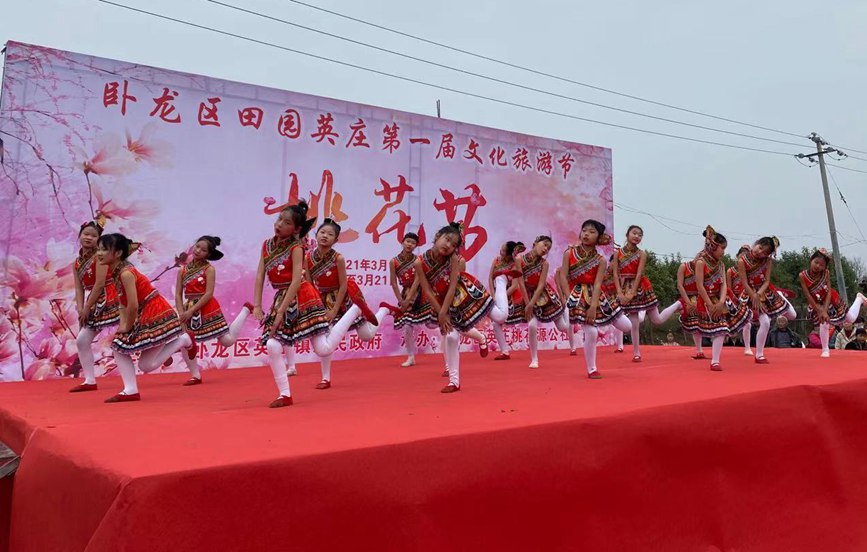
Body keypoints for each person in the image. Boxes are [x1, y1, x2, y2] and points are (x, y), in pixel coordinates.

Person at [252, 202, 362, 408]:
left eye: (286, 223)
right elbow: (260, 275)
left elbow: (295, 281)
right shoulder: (267, 245)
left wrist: (280, 312)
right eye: (279, 220)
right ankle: (285, 394)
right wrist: (257, 305)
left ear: (296, 229)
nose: (279, 225)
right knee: (272, 344)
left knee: (322, 349)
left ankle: (354, 310)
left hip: (303, 295)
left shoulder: (297, 248)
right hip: (282, 297)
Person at [98, 233, 194, 402]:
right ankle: (183, 340)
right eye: (99, 249)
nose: (99, 253)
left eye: (104, 249)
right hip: (144, 313)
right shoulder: (116, 271)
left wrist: (126, 328)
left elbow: (133, 304)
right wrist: (123, 325)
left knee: (118, 346)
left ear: (118, 253)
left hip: (154, 312)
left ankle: (130, 390)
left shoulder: (126, 273)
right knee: (145, 365)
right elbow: (123, 303)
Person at [415, 222, 510, 393]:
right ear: (437, 237)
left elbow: (452, 285)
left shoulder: (453, 259)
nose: (448, 245)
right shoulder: (419, 262)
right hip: (442, 300)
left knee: (500, 317)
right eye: (447, 239)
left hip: (466, 292)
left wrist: (443, 312)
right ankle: (454, 382)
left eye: (453, 245)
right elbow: (427, 289)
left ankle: (501, 282)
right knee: (451, 337)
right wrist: (440, 311)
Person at [305, 218, 384, 390]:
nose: (325, 236)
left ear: (336, 240)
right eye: (322, 232)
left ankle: (383, 310)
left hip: (343, 299)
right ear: (316, 234)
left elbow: (343, 285)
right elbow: (310, 284)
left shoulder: (338, 258)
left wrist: (334, 309)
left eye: (330, 234)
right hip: (321, 299)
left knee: (366, 336)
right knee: (325, 336)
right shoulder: (308, 258)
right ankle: (325, 378)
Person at [172, 236, 254, 386]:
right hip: (188, 309)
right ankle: (195, 375)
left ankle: (245, 310)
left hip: (207, 308)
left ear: (208, 255)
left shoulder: (209, 269)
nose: (198, 251)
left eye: (203, 250)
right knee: (185, 341)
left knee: (227, 341)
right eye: (197, 247)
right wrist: (181, 312)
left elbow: (208, 293)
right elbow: (178, 294)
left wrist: (191, 311)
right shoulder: (182, 270)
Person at [560, 219, 633, 379]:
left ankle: (609, 317)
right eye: (584, 230)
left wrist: (593, 306)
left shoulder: (600, 260)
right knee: (591, 332)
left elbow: (598, 283)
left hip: (598, 295)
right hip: (577, 295)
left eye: (592, 232)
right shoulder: (569, 253)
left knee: (627, 326)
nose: (586, 234)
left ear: (598, 238)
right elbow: (563, 277)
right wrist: (569, 297)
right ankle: (592, 368)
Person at [612, 225, 682, 362]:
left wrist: (632, 293)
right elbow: (615, 273)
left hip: (641, 287)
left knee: (657, 320)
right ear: (627, 235)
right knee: (634, 322)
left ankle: (678, 303)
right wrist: (619, 292)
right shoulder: (617, 253)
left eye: (640, 235)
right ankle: (636, 353)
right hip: (624, 286)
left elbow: (639, 274)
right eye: (634, 233)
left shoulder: (641, 254)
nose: (637, 236)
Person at [69, 217, 120, 393]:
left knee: (133, 334)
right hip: (95, 302)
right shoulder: (77, 263)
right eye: (86, 234)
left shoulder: (100, 257)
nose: (88, 238)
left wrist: (87, 308)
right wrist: (80, 308)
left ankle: (177, 342)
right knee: (82, 340)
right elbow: (79, 288)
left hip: (112, 297)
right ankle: (89, 380)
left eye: (93, 235)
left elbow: (99, 284)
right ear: (80, 236)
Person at [691, 226, 751, 371]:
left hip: (722, 299)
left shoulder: (721, 265)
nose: (724, 251)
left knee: (722, 329)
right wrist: (710, 305)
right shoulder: (701, 263)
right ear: (713, 247)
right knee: (719, 329)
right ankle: (712, 358)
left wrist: (722, 301)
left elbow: (724, 284)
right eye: (722, 248)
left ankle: (715, 361)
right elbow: (699, 286)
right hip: (707, 300)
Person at [506, 235, 565, 368]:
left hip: (544, 295)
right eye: (544, 245)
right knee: (532, 325)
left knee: (563, 327)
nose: (545, 249)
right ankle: (534, 359)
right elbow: (520, 282)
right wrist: (527, 303)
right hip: (527, 294)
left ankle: (567, 310)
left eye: (548, 248)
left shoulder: (544, 263)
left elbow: (541, 285)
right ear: (535, 243)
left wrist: (531, 304)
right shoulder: (519, 259)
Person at [736, 236, 797, 364]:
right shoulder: (742, 261)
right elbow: (744, 282)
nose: (760, 252)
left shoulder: (767, 261)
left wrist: (758, 294)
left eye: (765, 252)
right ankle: (755, 353)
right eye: (760, 248)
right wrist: (754, 296)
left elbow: (767, 280)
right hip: (748, 293)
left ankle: (759, 354)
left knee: (789, 316)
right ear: (756, 243)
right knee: (751, 323)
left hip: (763, 292)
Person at [799, 248, 866, 358]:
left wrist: (825, 310)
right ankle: (825, 350)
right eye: (816, 262)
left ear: (825, 266)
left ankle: (858, 299)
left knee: (851, 319)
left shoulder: (826, 273)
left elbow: (829, 291)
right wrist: (819, 310)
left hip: (831, 298)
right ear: (811, 260)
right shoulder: (802, 275)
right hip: (815, 302)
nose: (818, 266)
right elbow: (808, 295)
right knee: (824, 322)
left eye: (821, 265)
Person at [387, 233, 431, 367]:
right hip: (405, 294)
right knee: (407, 326)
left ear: (416, 245)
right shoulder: (393, 261)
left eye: (413, 242)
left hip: (421, 293)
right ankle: (411, 357)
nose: (409, 244)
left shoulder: (418, 260)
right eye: (407, 241)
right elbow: (394, 283)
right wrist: (401, 300)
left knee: (433, 323)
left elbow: (418, 279)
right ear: (402, 242)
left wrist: (410, 298)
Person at [489, 241, 528, 361]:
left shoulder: (514, 264)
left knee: (499, 319)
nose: (500, 252)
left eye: (503, 251)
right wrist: (494, 296)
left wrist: (502, 297)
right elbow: (490, 278)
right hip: (497, 294)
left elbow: (514, 285)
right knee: (496, 323)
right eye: (501, 249)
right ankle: (505, 351)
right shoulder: (496, 260)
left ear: (509, 254)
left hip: (508, 295)